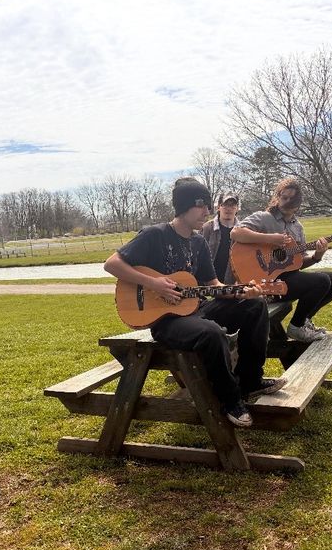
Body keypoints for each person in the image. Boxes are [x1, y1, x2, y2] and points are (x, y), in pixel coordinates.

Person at [103, 177, 284, 427]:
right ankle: (230, 400)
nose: (207, 212)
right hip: (166, 321)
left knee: (255, 306)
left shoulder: (199, 242)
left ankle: (250, 381)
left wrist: (242, 291)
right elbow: (112, 264)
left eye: (208, 206)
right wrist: (153, 283)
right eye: (201, 206)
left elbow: (213, 285)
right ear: (184, 206)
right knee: (212, 333)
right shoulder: (154, 234)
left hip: (197, 309)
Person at [231, 177, 332, 343]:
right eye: (283, 197)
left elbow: (297, 263)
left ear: (298, 203)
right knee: (321, 280)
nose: (286, 202)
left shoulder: (297, 227)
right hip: (264, 284)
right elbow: (236, 233)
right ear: (277, 197)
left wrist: (317, 256)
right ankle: (296, 327)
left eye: (291, 199)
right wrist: (271, 238)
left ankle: (304, 320)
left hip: (286, 279)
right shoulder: (264, 218)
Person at [200, 191, 240, 283]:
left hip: (232, 286)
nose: (228, 209)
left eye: (232, 205)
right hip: (207, 284)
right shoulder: (206, 228)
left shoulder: (243, 231)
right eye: (225, 205)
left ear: (237, 208)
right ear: (218, 207)